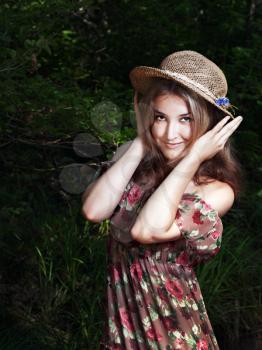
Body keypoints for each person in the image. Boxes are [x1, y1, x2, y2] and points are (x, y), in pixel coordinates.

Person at [82, 50, 243, 349]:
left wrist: (194, 156)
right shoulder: (133, 164)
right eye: (160, 118)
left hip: (175, 334)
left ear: (210, 125)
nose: (171, 133)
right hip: (123, 331)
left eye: (186, 119)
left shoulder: (216, 190)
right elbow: (93, 210)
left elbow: (147, 230)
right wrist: (142, 140)